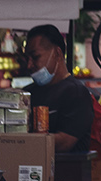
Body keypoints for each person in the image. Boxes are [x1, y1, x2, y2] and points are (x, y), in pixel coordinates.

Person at [24, 23, 93, 153]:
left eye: (35, 57)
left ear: (57, 53)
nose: (29, 65)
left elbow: (64, 142)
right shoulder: (27, 93)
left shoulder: (76, 93)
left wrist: (19, 141)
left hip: (65, 171)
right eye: (26, 58)